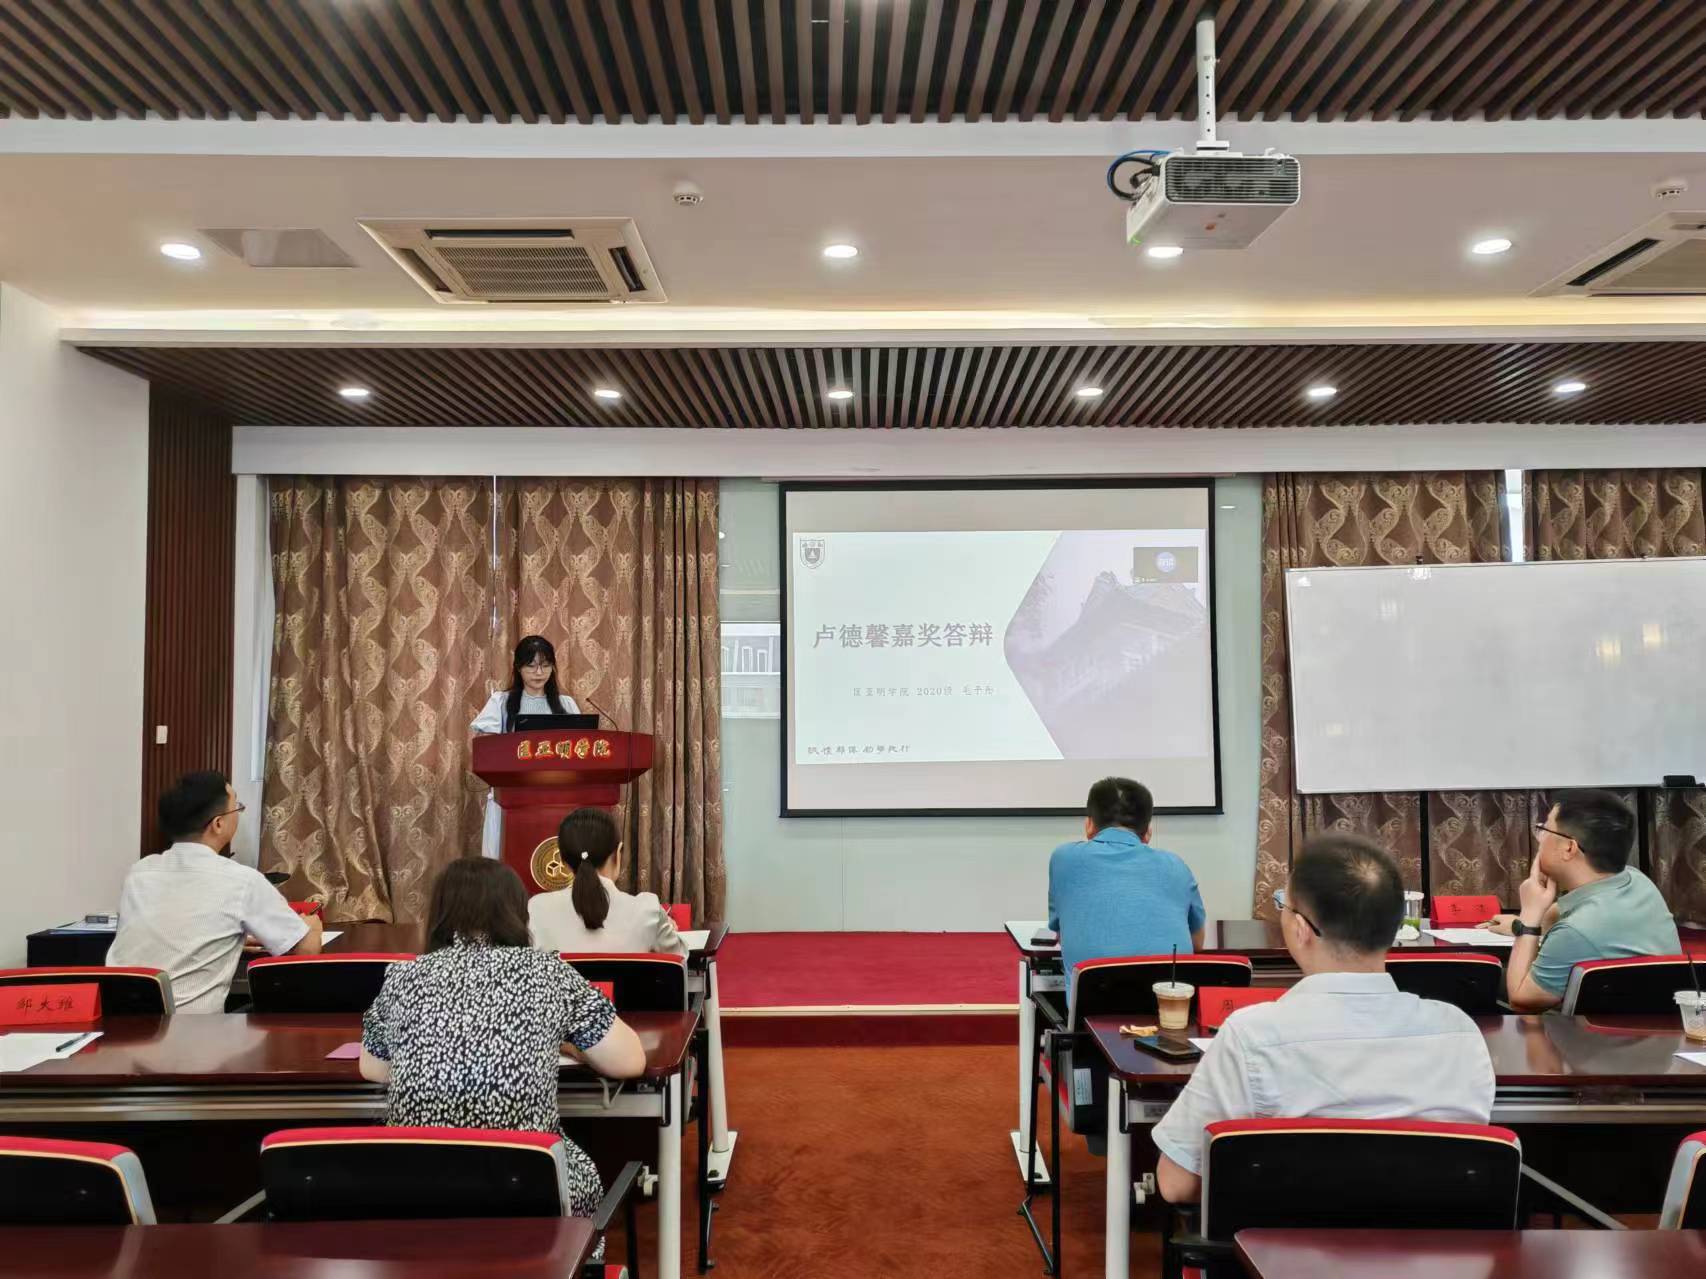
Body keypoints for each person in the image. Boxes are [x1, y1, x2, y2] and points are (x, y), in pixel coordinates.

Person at [1151, 833, 1495, 1204]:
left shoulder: (1252, 1036)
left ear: (1300, 930)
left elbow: (1176, 1183)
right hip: (1435, 1241)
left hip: (1282, 1242)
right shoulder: (1460, 1034)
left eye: (1283, 905)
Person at [360, 858, 646, 1225]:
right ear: (517, 912)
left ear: (438, 913)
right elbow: (629, 1061)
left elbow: (373, 1068)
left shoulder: (403, 977)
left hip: (422, 1202)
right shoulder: (547, 971)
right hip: (532, 1198)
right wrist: (566, 1043)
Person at [109, 770, 323, 1013]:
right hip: (191, 1030)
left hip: (119, 1025)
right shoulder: (242, 881)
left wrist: (227, 939)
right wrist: (312, 927)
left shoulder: (139, 873)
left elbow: (169, 931)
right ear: (218, 824)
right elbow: (306, 950)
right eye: (237, 807)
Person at [1490, 790, 1682, 1013]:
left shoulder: (1576, 931)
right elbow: (1566, 912)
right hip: (1653, 1022)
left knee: (1479, 981)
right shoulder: (1637, 880)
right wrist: (1520, 924)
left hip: (1589, 1031)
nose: (1539, 839)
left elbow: (1521, 999)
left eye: (1544, 830)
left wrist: (1529, 921)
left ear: (1569, 848)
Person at [1047, 777, 1206, 980]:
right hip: (1168, 997)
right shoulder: (1177, 865)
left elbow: (1062, 934)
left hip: (1092, 999)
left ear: (1089, 825)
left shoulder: (1064, 859)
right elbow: (1197, 942)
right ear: (1148, 832)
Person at [472, 635, 582, 859]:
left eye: (545, 665)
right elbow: (487, 749)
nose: (539, 673)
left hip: (558, 799)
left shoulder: (566, 705)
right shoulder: (501, 703)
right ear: (518, 667)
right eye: (531, 666)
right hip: (511, 798)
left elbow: (581, 751)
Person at [529, 807, 687, 956]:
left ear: (564, 863)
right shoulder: (648, 911)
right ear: (618, 853)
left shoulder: (536, 910)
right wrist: (665, 928)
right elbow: (679, 960)